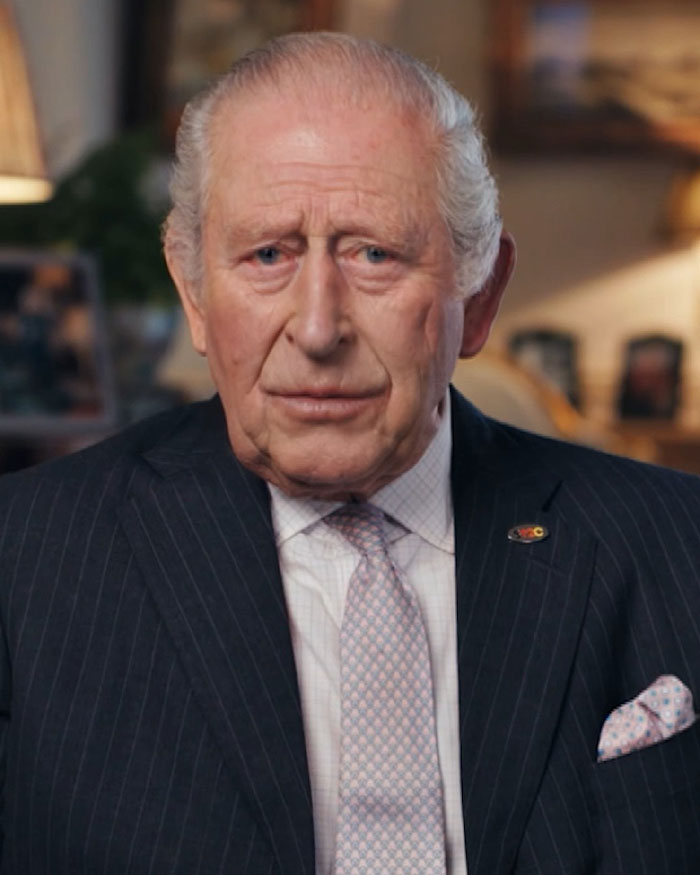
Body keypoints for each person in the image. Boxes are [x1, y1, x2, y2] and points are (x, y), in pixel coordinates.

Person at [0, 31, 699, 875]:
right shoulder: (22, 560)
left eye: (374, 254)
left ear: (479, 298)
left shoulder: (679, 543)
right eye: (268, 254)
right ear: (192, 292)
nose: (319, 327)